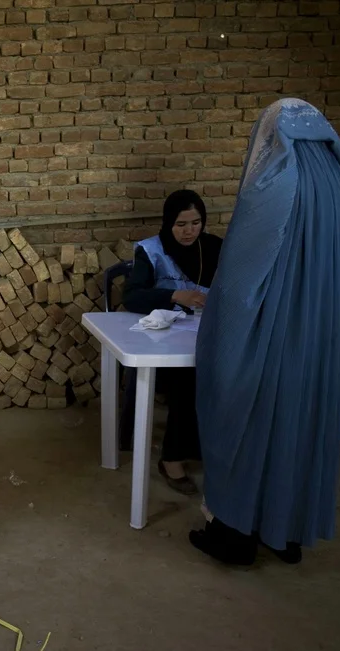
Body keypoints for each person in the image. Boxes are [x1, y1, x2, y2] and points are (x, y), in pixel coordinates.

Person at [192, 98, 340, 566]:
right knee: (301, 425)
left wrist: (225, 323)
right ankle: (285, 534)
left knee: (250, 419)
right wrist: (324, 312)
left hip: (271, 333)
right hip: (320, 336)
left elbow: (239, 277)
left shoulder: (275, 181)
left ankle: (234, 536)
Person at [122, 189, 223, 495]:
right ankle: (172, 458)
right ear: (169, 223)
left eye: (195, 222)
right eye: (181, 224)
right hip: (162, 342)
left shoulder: (215, 247)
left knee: (226, 373)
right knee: (186, 378)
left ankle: (208, 449)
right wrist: (174, 295)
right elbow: (131, 295)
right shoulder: (151, 250)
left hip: (205, 334)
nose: (189, 230)